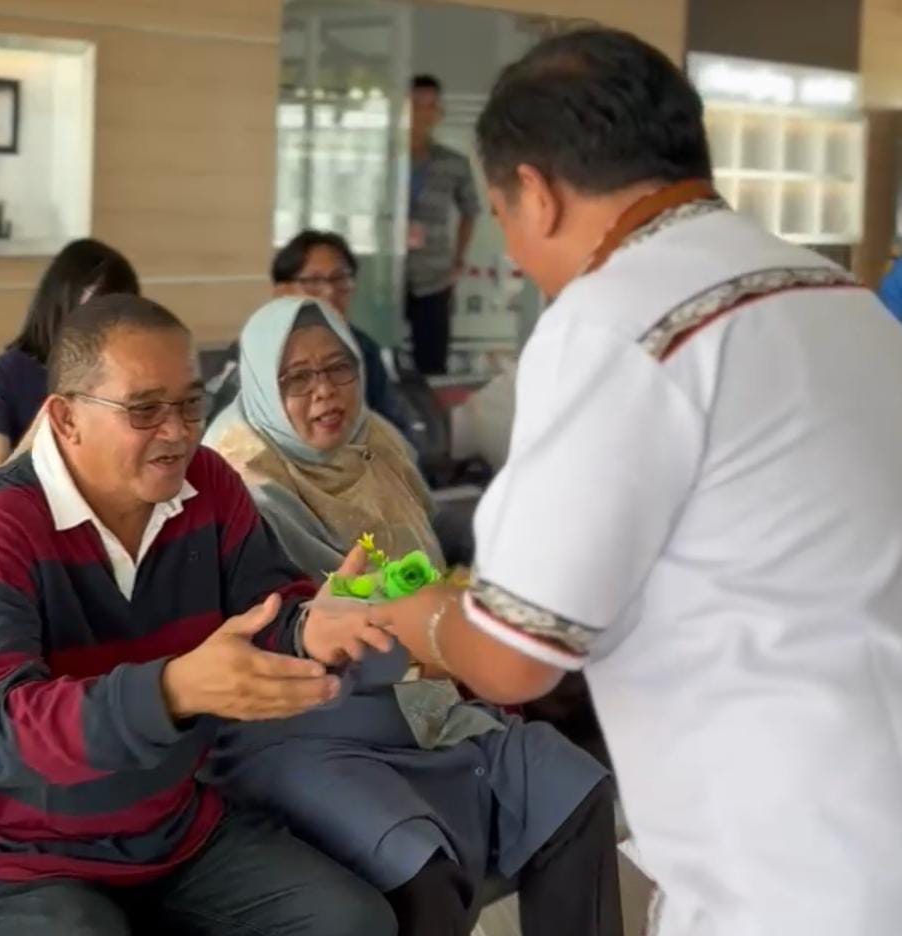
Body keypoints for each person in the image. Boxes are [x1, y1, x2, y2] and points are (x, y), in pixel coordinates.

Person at [381, 28, 902, 936]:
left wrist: (411, 616)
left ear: (535, 195)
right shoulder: (836, 295)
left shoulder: (614, 321)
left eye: (502, 222)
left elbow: (513, 654)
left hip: (793, 864)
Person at [0, 293, 401, 936]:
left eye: (192, 403)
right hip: (3, 861)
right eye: (145, 410)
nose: (179, 431)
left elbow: (266, 614)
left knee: (351, 923)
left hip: (167, 833)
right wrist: (170, 691)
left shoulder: (210, 486)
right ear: (67, 418)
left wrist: (309, 628)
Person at [204, 296, 621, 936]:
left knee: (573, 789)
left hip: (420, 696)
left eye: (338, 368)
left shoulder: (375, 443)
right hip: (311, 725)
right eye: (296, 378)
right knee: (418, 862)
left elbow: (426, 554)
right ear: (261, 384)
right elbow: (288, 630)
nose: (325, 393)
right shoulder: (237, 479)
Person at [0, 238, 139, 478]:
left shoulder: (125, 375)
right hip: (35, 511)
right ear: (60, 303)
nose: (111, 326)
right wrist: (59, 418)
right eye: (99, 309)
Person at [272, 230, 416, 438]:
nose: (329, 291)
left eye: (339, 279)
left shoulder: (363, 349)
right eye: (313, 281)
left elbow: (394, 430)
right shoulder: (260, 351)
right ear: (282, 291)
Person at [406, 74, 480, 375]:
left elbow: (471, 209)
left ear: (439, 113)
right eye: (416, 105)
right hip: (382, 274)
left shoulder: (454, 162)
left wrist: (458, 260)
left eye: (430, 106)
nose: (423, 113)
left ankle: (430, 416)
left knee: (432, 358)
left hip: (433, 272)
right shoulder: (383, 156)